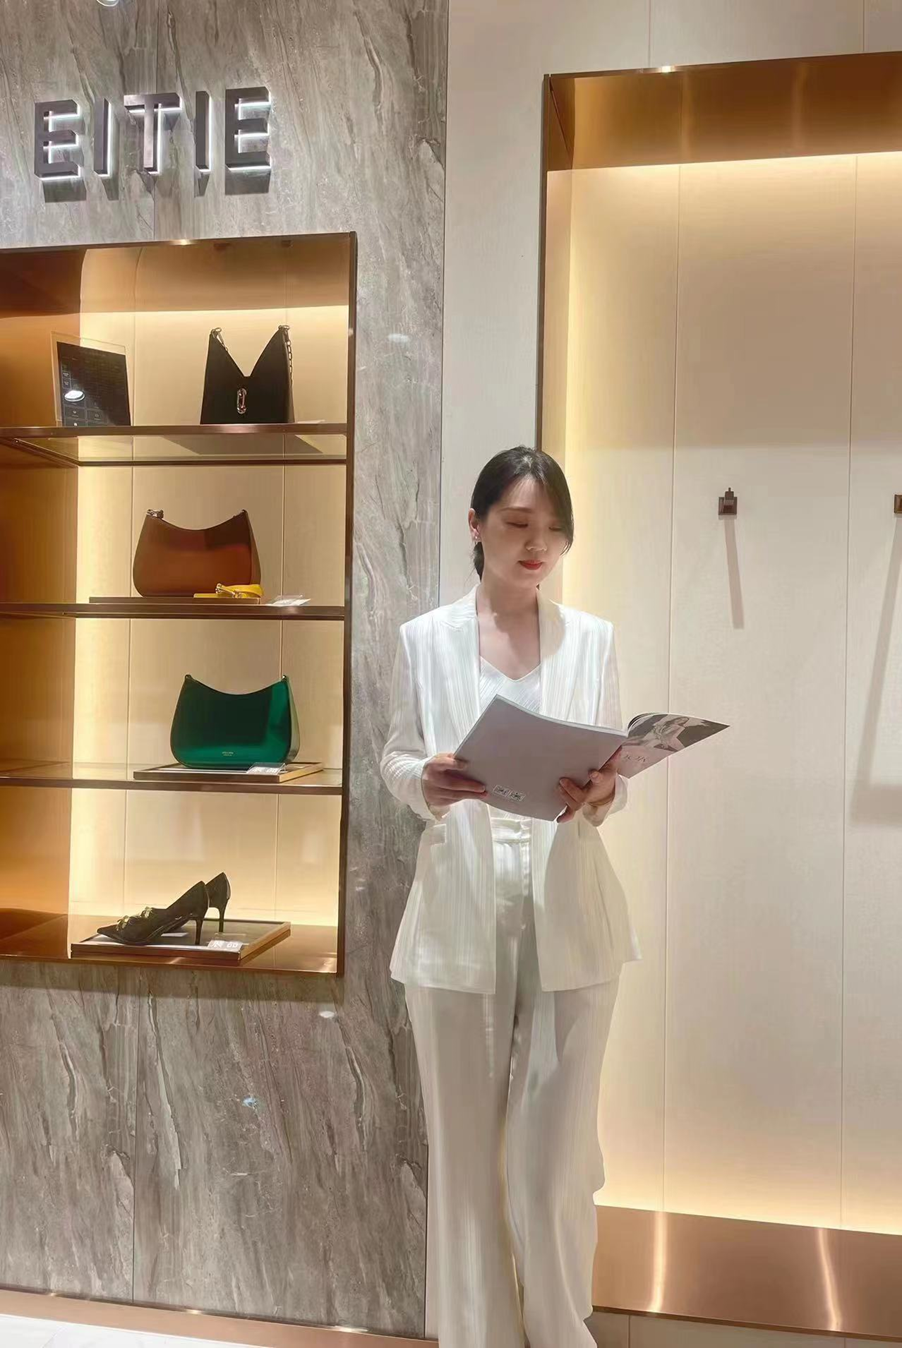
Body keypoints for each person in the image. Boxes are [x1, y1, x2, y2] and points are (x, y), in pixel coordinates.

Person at [380, 446, 641, 1348]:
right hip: (459, 919)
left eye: (554, 531)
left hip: (571, 917)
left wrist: (605, 791)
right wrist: (425, 779)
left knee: (555, 1163)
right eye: (519, 525)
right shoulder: (425, 639)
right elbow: (396, 755)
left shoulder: (592, 639)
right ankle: (477, 1336)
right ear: (476, 524)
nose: (538, 547)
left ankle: (561, 1333)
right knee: (465, 1164)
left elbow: (610, 771)